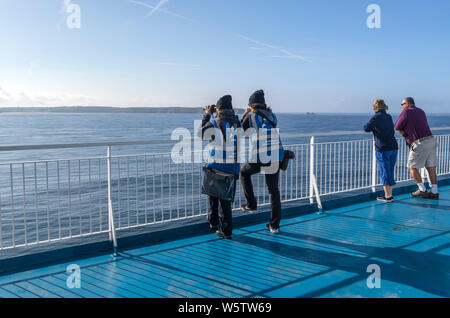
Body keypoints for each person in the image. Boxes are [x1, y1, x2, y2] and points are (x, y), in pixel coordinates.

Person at [240, 90, 284, 234]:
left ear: (251, 105)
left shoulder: (251, 116)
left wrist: (245, 114)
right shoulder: (272, 115)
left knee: (243, 172)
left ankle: (251, 204)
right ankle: (275, 225)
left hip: (260, 156)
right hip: (275, 155)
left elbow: (239, 132)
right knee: (273, 190)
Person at [198, 95, 241, 239]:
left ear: (219, 109)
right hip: (232, 167)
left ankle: (216, 223)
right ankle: (224, 228)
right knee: (225, 201)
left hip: (215, 166)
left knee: (213, 196)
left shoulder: (214, 122)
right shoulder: (236, 122)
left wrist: (207, 115)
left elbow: (201, 134)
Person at [394, 97, 439, 199]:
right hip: (431, 140)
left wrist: (404, 133)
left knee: (411, 167)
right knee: (430, 167)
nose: (401, 107)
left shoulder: (407, 112)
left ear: (408, 104)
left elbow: (396, 126)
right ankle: (434, 192)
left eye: (402, 104)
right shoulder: (421, 111)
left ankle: (422, 190)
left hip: (420, 143)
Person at [364, 99, 399, 202]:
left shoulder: (376, 117)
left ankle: (388, 196)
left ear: (375, 107)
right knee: (390, 171)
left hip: (382, 149)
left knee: (384, 172)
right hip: (393, 147)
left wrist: (374, 129)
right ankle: (390, 194)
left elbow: (366, 128)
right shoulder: (389, 116)